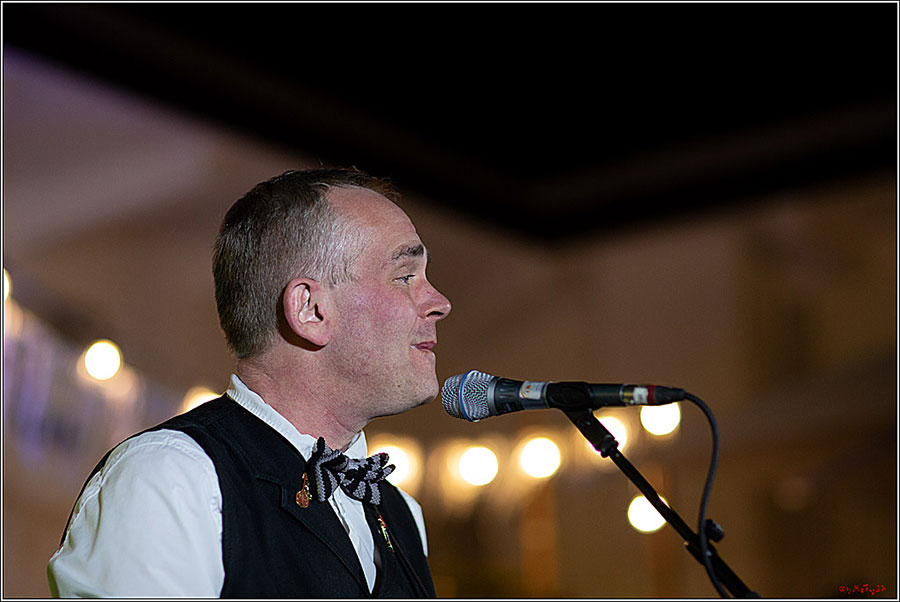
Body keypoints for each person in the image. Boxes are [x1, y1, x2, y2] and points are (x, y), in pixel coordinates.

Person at [47, 168, 452, 597]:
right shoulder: (172, 476)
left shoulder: (401, 514)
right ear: (311, 310)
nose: (440, 303)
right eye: (405, 276)